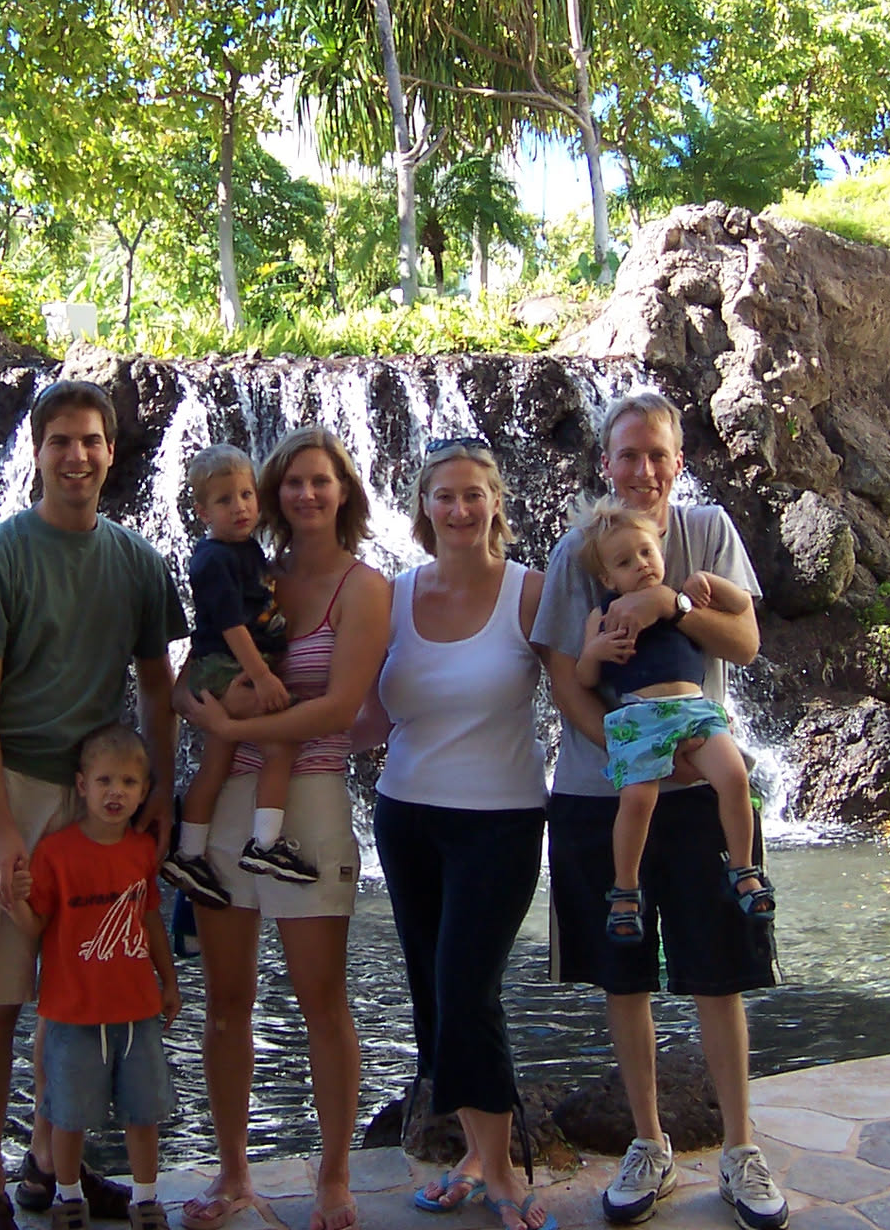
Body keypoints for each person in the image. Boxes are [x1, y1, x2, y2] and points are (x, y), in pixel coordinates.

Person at [0, 380, 189, 1230]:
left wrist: (160, 790)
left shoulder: (137, 561)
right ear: (37, 452)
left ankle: (49, 1163)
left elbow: (158, 687)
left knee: (79, 991)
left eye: (91, 441)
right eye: (60, 441)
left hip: (97, 802)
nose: (77, 456)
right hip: (7, 787)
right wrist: (0, 826)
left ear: (111, 452)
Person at [530, 392, 788, 1230]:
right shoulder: (580, 548)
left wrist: (671, 604)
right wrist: (638, 751)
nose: (643, 470)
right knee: (625, 973)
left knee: (722, 970)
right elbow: (567, 681)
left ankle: (741, 1148)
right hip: (608, 789)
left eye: (657, 455)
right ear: (606, 462)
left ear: (678, 461)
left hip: (703, 787)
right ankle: (648, 1143)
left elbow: (744, 643)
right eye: (628, 455)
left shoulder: (707, 532)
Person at [174, 426, 392, 1230]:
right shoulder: (247, 573)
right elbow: (190, 677)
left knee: (321, 1000)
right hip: (227, 803)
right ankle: (234, 1174)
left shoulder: (364, 588)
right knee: (225, 1001)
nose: (306, 494)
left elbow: (338, 708)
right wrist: (197, 707)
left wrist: (231, 729)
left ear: (344, 491)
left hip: (310, 798)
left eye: (320, 480)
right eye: (292, 482)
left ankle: (333, 1177)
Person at [353, 438, 555, 1230]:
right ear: (423, 506)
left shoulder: (531, 593)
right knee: (435, 995)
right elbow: (368, 717)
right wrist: (268, 729)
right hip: (406, 816)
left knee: (468, 988)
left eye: (474, 495)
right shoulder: (393, 596)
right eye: (446, 496)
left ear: (495, 502)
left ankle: (501, 1170)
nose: (461, 509)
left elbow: (580, 691)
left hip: (501, 821)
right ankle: (476, 1154)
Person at [570, 496, 775, 943]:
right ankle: (625, 888)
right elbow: (583, 677)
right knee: (637, 799)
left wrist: (705, 584)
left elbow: (740, 606)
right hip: (640, 717)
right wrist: (596, 651)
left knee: (735, 777)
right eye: (625, 562)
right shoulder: (601, 615)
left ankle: (744, 868)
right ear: (607, 578)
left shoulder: (682, 596)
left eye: (647, 552)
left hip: (696, 709)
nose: (641, 564)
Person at [4, 724, 183, 1230]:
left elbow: (151, 919)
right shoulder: (55, 853)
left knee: (143, 1111)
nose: (115, 793)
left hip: (137, 1011)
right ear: (82, 786)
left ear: (143, 792)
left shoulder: (141, 851)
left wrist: (169, 982)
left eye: (128, 782)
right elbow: (37, 925)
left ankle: (144, 1199)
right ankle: (67, 1197)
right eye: (104, 781)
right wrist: (13, 900)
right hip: (72, 1012)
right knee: (67, 1114)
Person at [165, 444, 312, 909]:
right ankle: (266, 844)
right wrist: (263, 676)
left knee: (217, 760)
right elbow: (230, 627)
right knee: (281, 742)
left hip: (225, 666)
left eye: (247, 495)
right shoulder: (213, 560)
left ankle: (188, 854)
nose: (240, 507)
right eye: (225, 500)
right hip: (228, 667)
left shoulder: (245, 549)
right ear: (202, 511)